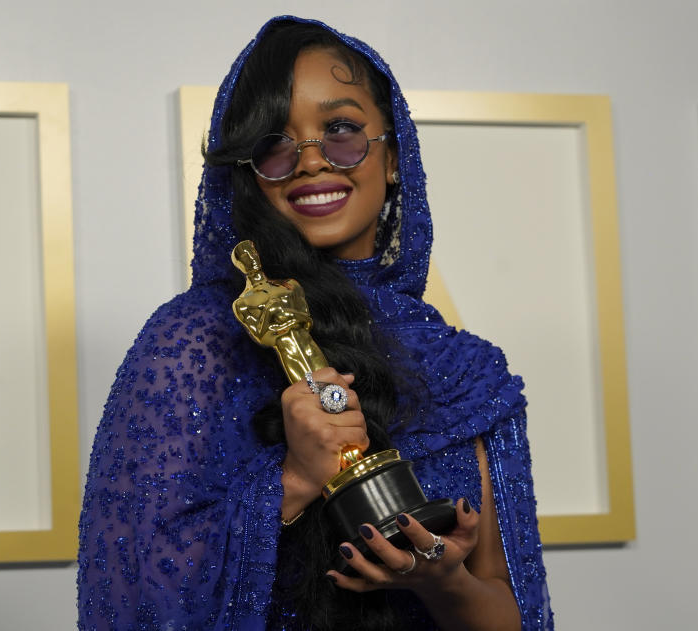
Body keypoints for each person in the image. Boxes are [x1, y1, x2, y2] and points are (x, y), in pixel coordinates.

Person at [77, 15, 553, 631]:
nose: (311, 162)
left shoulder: (468, 373)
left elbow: (512, 614)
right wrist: (296, 478)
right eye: (275, 143)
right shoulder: (195, 342)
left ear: (394, 155)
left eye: (342, 130)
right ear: (249, 173)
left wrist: (444, 581)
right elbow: (135, 591)